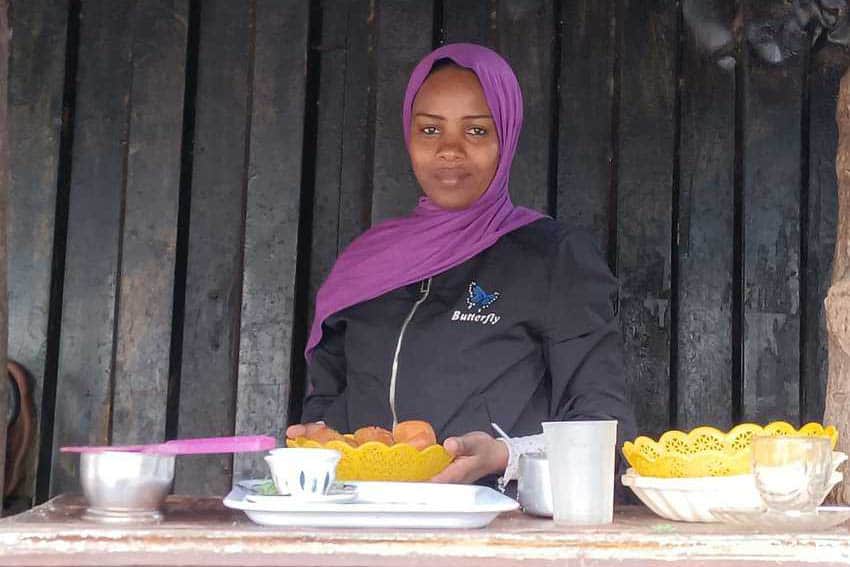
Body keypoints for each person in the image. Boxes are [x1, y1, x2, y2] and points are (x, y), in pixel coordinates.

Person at [287, 43, 636, 490]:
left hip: (498, 532)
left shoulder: (552, 256)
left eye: (475, 131)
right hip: (365, 524)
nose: (449, 150)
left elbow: (607, 433)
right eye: (430, 130)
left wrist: (503, 456)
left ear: (506, 137)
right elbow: (327, 404)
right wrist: (317, 439)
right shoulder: (366, 264)